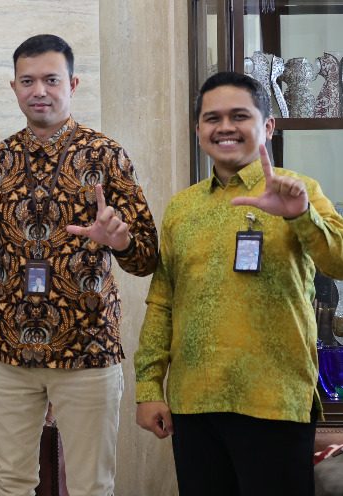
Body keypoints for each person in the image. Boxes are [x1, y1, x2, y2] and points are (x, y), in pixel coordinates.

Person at [135, 71, 343, 496]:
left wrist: (300, 215)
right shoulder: (182, 208)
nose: (224, 127)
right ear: (198, 130)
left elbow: (338, 261)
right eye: (212, 118)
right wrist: (148, 386)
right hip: (194, 403)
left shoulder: (299, 190)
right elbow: (162, 303)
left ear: (268, 126)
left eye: (239, 116)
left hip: (274, 401)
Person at [0, 34, 158, 495]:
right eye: (28, 81)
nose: (39, 91)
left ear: (72, 84)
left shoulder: (106, 155)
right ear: (13, 87)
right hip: (9, 350)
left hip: (87, 348)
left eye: (51, 80)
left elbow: (146, 258)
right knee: (11, 483)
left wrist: (119, 241)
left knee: (91, 486)